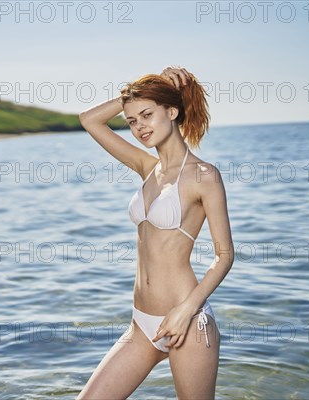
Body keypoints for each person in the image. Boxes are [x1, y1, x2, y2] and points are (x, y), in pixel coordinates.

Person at [76, 66, 234, 400]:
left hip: (187, 321)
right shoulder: (147, 168)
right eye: (132, 121)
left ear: (172, 111)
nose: (139, 127)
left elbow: (224, 255)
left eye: (147, 115)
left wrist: (186, 310)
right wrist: (134, 94)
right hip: (141, 325)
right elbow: (89, 120)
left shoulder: (203, 175)